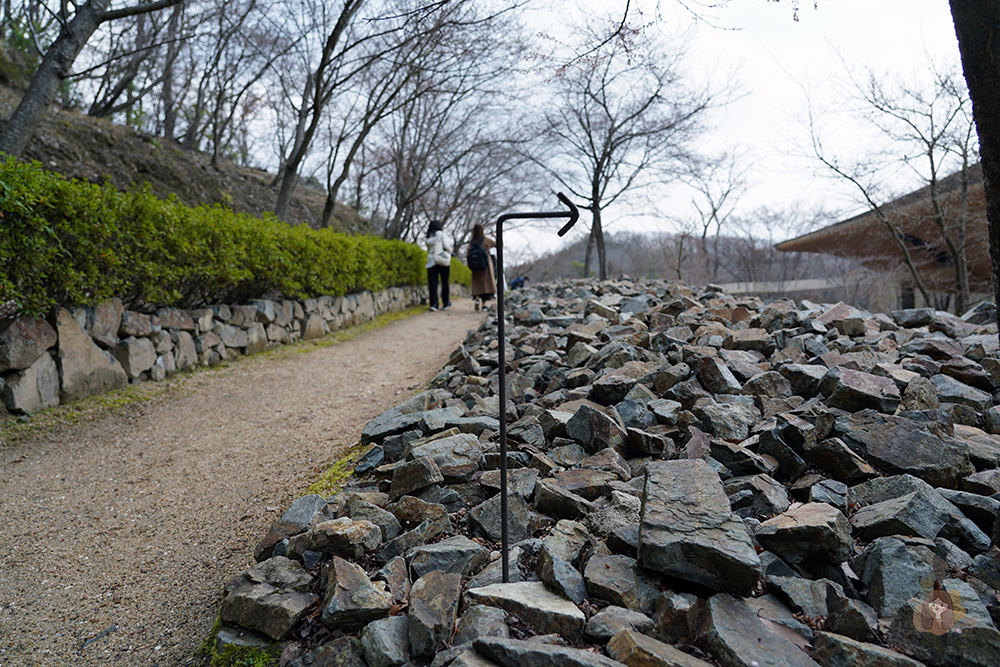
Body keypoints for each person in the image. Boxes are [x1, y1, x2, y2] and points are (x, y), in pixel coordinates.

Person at [466, 223, 496, 311]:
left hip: (475, 267)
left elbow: (467, 254)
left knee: (477, 284)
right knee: (486, 285)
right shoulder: (486, 240)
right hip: (485, 266)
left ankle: (477, 298)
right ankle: (484, 305)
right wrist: (495, 236)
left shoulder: (472, 242)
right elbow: (498, 244)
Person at [424, 219, 452, 311]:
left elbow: (428, 246)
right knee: (445, 283)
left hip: (431, 261)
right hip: (442, 259)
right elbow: (447, 247)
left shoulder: (428, 236)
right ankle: (445, 303)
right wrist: (451, 251)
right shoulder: (442, 234)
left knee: (433, 284)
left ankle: (434, 304)